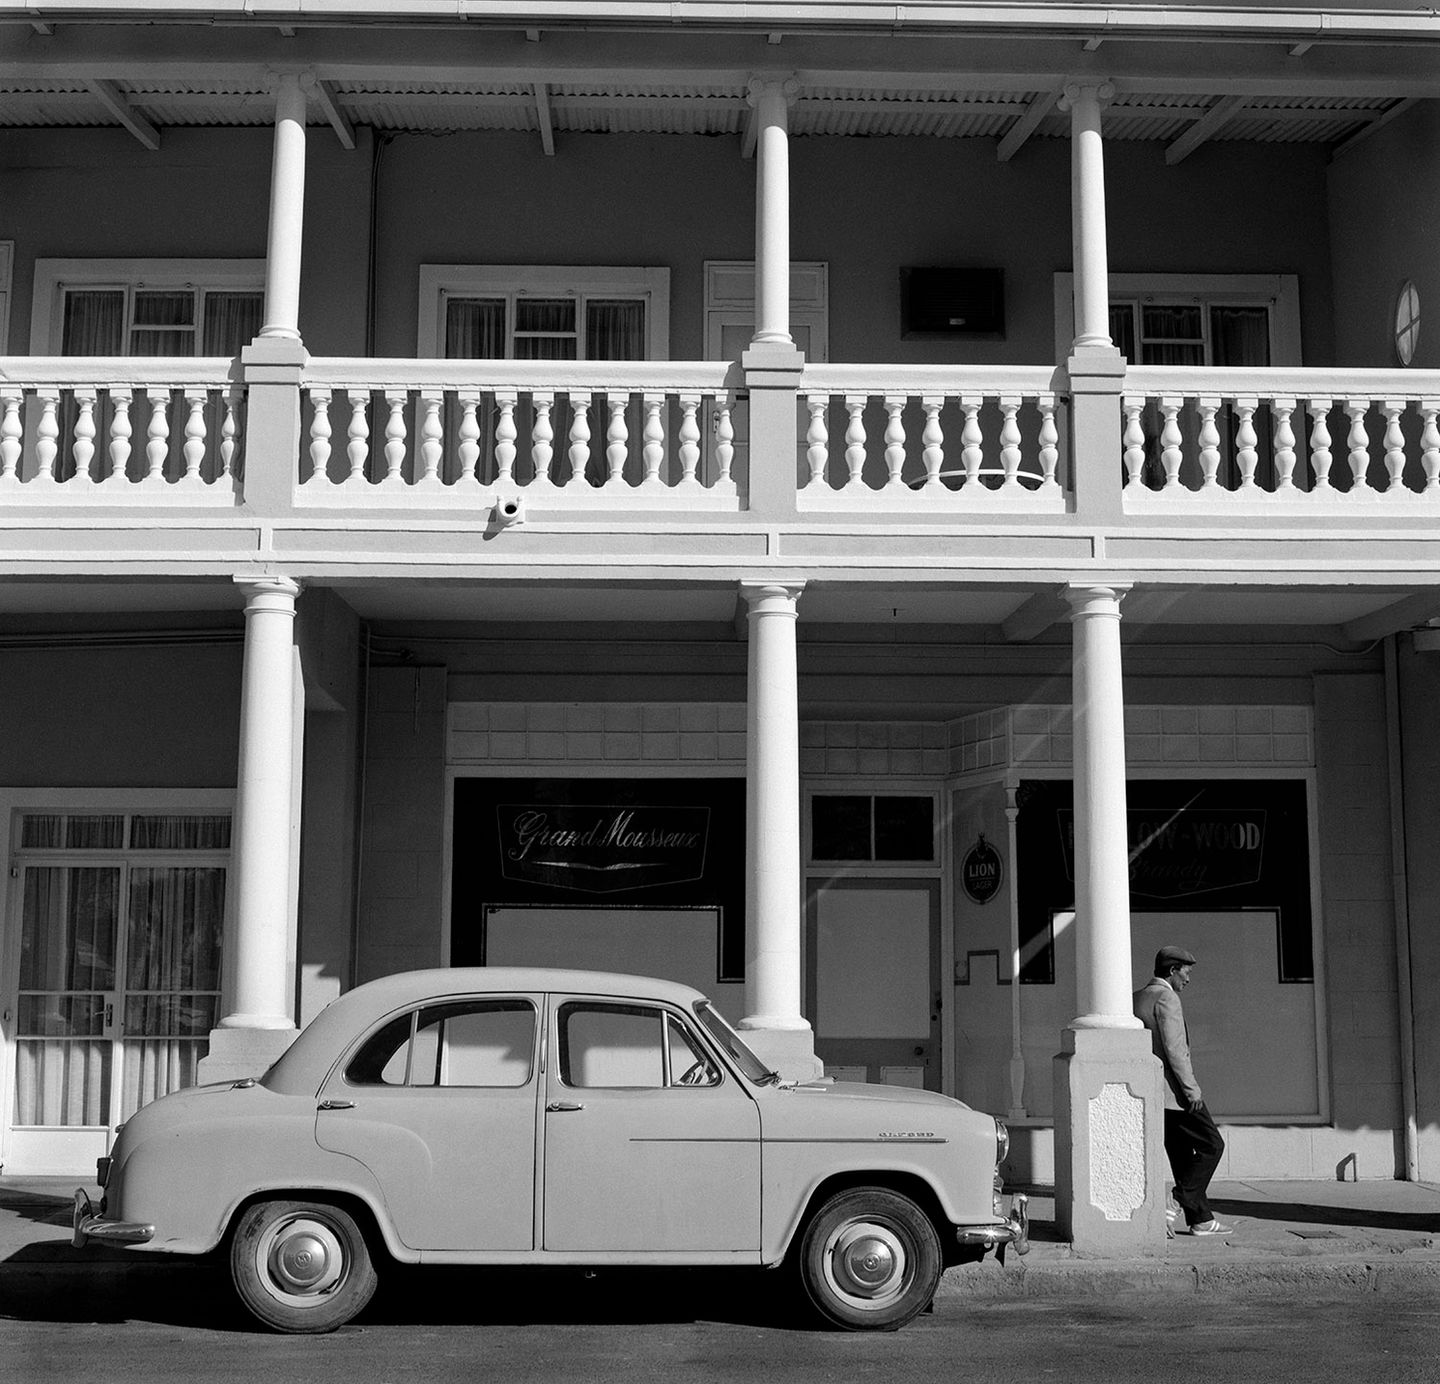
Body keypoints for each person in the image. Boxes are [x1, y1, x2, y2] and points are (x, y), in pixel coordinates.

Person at [1134, 946, 1232, 1237]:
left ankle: (1200, 1219)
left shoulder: (1138, 997)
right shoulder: (1167, 998)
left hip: (1153, 1092)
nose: (1189, 979)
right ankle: (1178, 1199)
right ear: (1173, 970)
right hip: (1175, 1092)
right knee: (1212, 1144)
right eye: (1186, 972)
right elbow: (1175, 1050)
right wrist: (1191, 1091)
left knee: (1180, 1155)